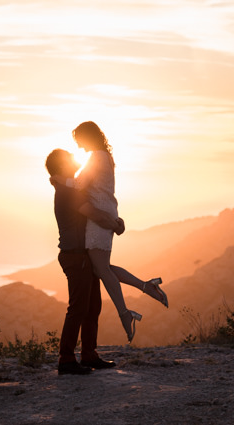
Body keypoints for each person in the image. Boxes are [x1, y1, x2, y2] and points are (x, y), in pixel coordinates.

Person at [63, 120, 168, 343]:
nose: (79, 147)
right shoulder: (105, 157)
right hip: (107, 212)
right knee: (103, 267)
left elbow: (80, 183)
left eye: (80, 141)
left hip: (99, 217)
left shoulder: (97, 157)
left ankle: (125, 313)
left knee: (101, 268)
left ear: (87, 137)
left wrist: (59, 180)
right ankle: (145, 286)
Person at [46, 148, 123, 375]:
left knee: (92, 307)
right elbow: (94, 214)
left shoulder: (67, 188)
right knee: (79, 307)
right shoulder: (68, 193)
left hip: (82, 256)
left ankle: (89, 354)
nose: (75, 160)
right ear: (62, 166)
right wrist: (116, 224)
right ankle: (66, 359)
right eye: (69, 159)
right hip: (75, 255)